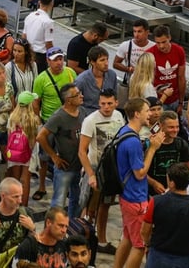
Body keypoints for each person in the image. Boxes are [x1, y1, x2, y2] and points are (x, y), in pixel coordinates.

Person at [113, 98, 164, 268]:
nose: (150, 114)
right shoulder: (133, 142)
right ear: (137, 114)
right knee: (140, 244)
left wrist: (149, 142)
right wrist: (152, 149)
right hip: (136, 198)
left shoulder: (125, 131)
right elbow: (140, 173)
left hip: (126, 195)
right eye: (147, 110)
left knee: (127, 237)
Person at [77, 88, 124, 254]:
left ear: (116, 103)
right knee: (88, 207)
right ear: (98, 103)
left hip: (112, 169)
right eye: (103, 103)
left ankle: (102, 241)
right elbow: (82, 151)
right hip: (95, 168)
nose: (106, 107)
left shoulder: (119, 116)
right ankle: (83, 240)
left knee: (106, 205)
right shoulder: (90, 121)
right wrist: (90, 174)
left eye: (110, 103)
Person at [140, 162, 189, 267]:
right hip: (186, 259)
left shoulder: (156, 202)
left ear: (171, 182)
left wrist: (148, 244)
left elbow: (145, 231)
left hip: (158, 256)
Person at [37, 83, 83, 218]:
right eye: (77, 94)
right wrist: (54, 157)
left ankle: (72, 228)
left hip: (80, 166)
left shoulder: (83, 112)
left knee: (77, 200)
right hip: (65, 167)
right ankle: (52, 231)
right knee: (58, 203)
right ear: (68, 100)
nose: (81, 96)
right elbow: (41, 136)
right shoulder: (59, 116)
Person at [147, 110, 189, 195]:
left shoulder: (181, 144)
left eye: (177, 127)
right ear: (161, 126)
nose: (175, 130)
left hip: (175, 191)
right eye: (171, 127)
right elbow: (141, 170)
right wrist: (154, 183)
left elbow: (188, 168)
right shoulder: (150, 144)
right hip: (152, 192)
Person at [146, 25, 186, 114]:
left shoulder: (179, 51)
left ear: (169, 38)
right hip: (157, 100)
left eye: (164, 42)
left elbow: (181, 77)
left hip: (175, 99)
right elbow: (147, 80)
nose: (161, 46)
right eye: (158, 43)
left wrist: (181, 102)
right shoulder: (150, 54)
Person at [74, 47, 118, 116]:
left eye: (107, 59)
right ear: (92, 62)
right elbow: (75, 102)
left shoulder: (112, 75)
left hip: (108, 114)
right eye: (102, 60)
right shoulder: (82, 80)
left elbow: (115, 96)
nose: (106, 63)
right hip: (88, 116)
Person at [22, 0, 55, 71]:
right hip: (40, 57)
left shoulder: (30, 16)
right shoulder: (48, 22)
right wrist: (52, 57)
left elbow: (24, 36)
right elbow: (48, 43)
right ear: (51, 4)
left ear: (39, 2)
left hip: (29, 53)